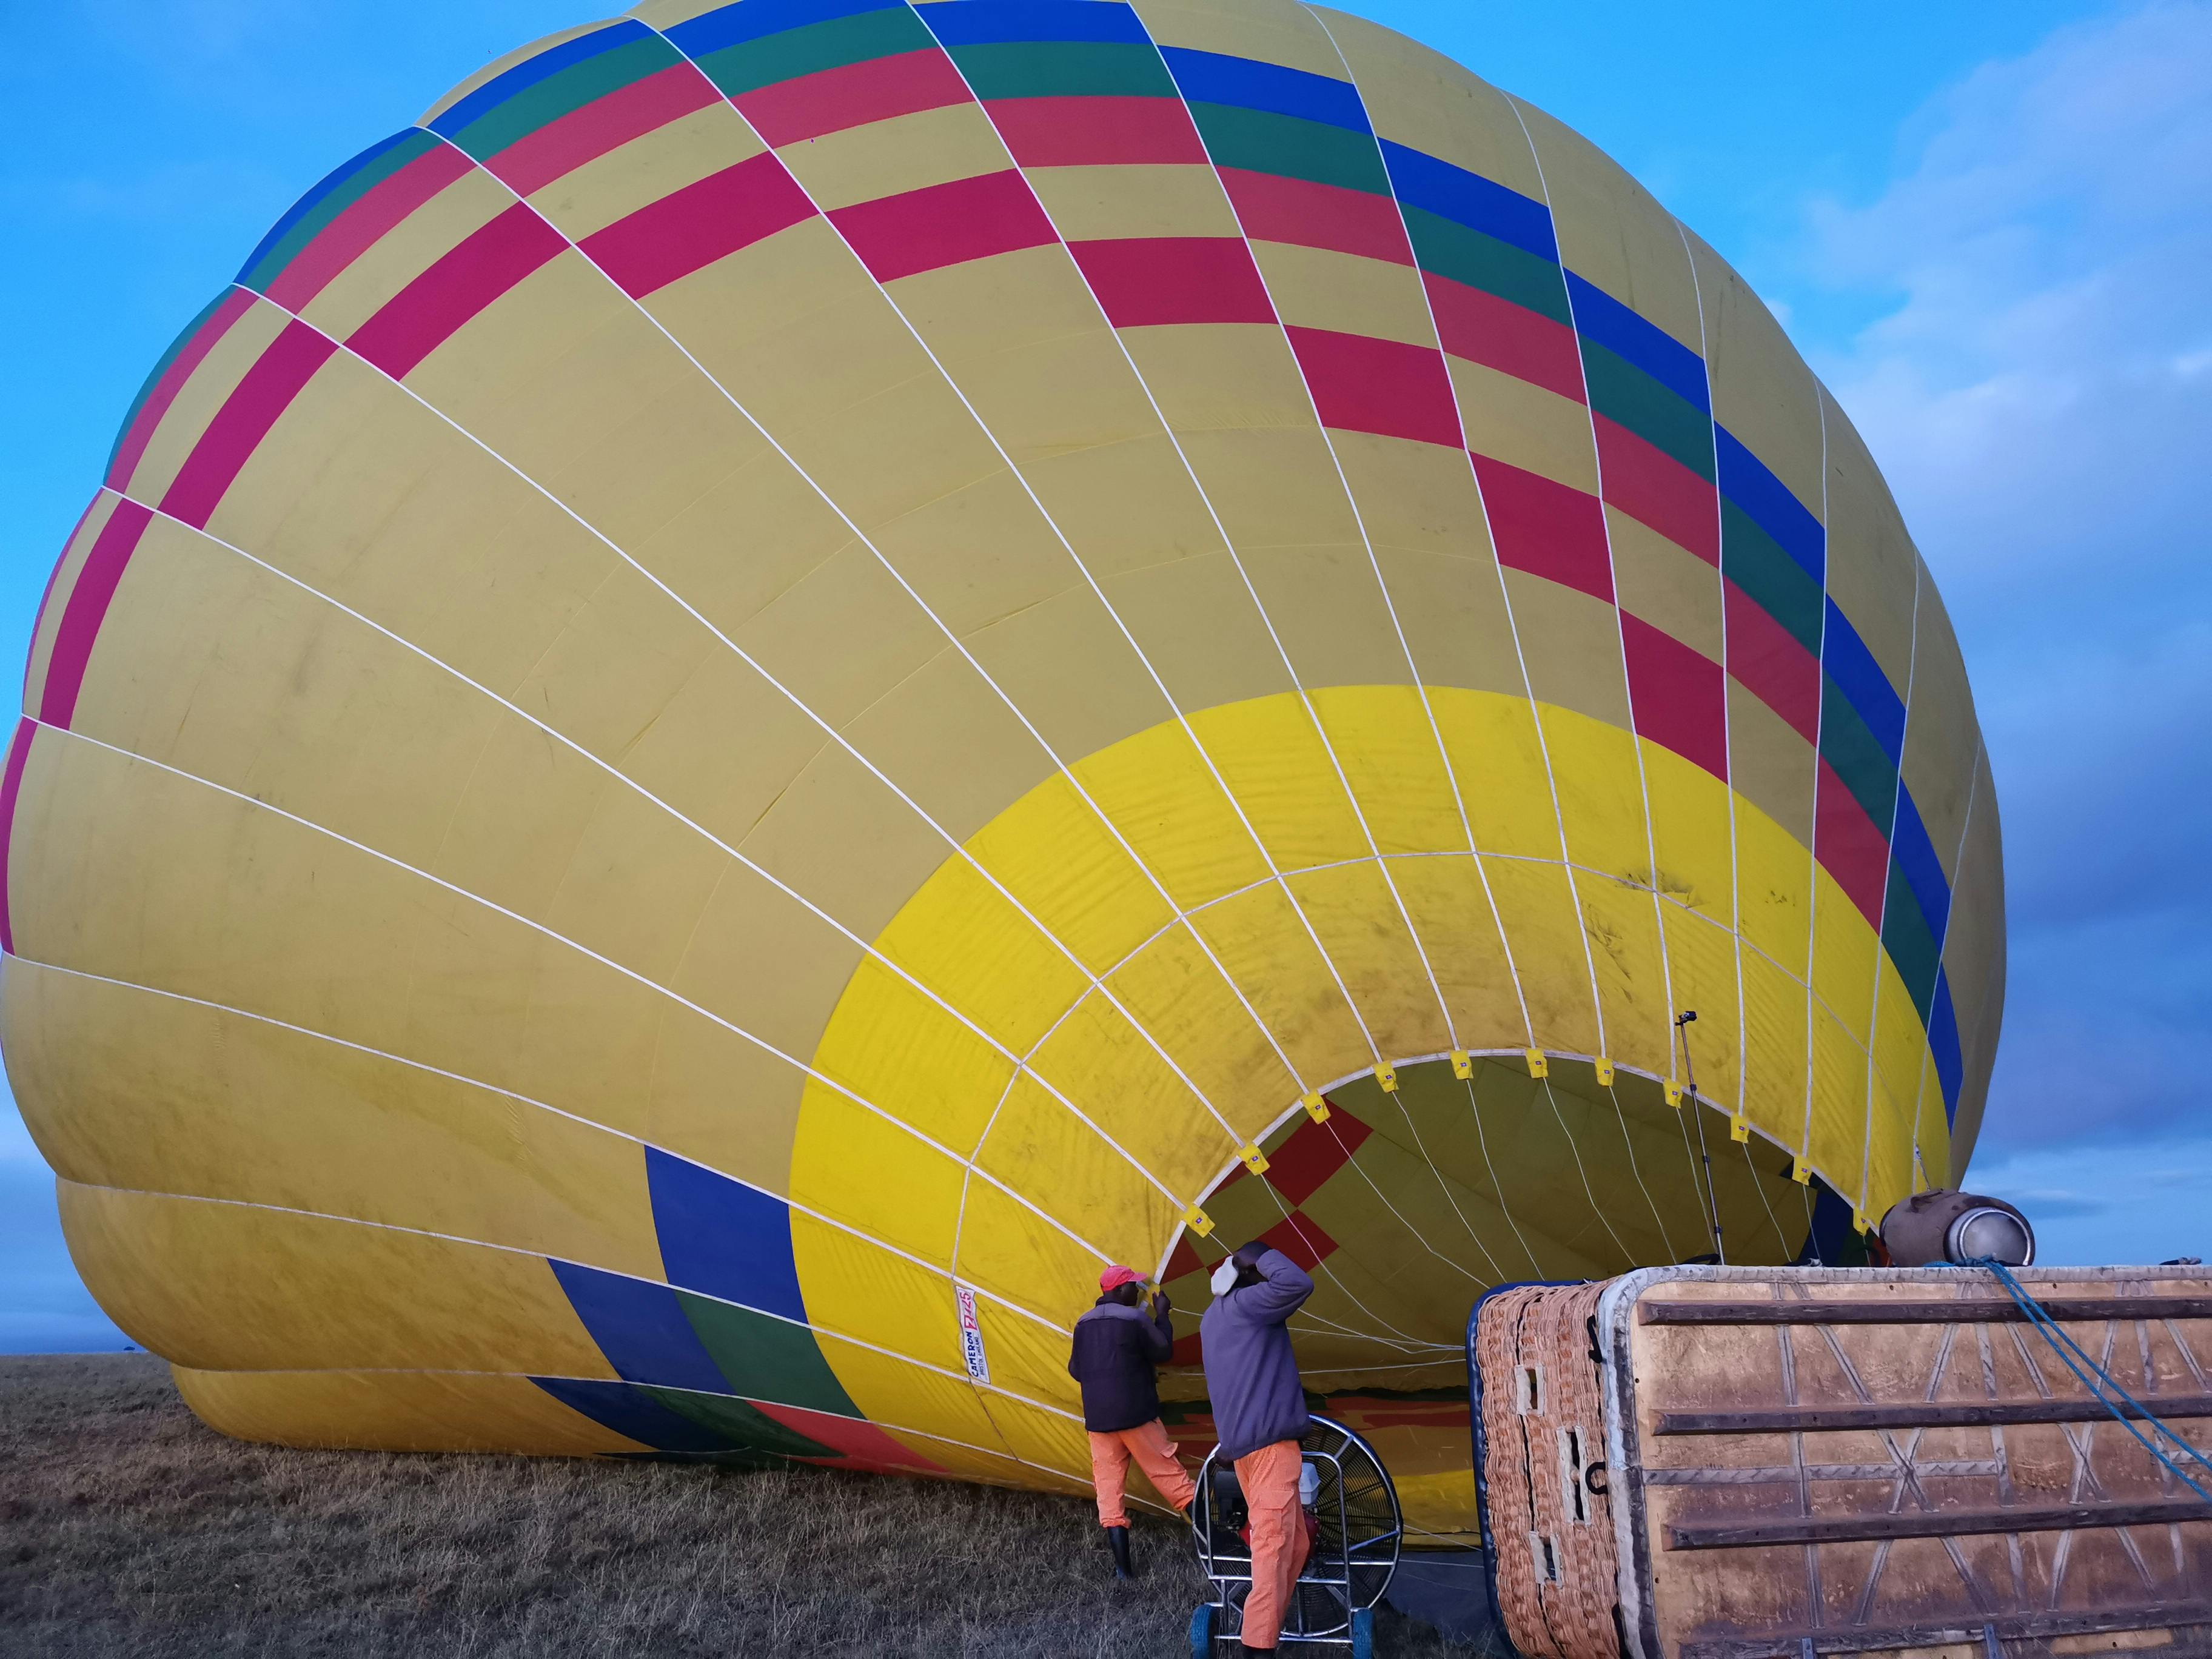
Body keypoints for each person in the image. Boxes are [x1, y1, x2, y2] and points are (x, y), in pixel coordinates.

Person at [1200, 1241, 1316, 1655]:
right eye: (1255, 1276)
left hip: (1243, 1449)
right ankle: (1258, 1647)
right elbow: (1297, 1283)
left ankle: (1265, 1627)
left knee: (1296, 1544)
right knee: (1274, 1546)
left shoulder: (1210, 1320)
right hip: (1271, 1448)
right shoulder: (1249, 1305)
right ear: (1245, 1280)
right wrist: (1263, 1253)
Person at [1067, 1263, 1196, 1579]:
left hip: (1099, 1422)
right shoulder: (1136, 1318)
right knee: (1171, 1477)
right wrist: (1162, 1314)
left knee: (1109, 1492)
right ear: (1120, 1290)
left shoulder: (1083, 1323)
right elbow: (1163, 1352)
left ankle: (1124, 1572)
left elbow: (1075, 1370)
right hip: (1136, 1415)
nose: (1136, 1293)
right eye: (1134, 1288)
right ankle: (1218, 1545)